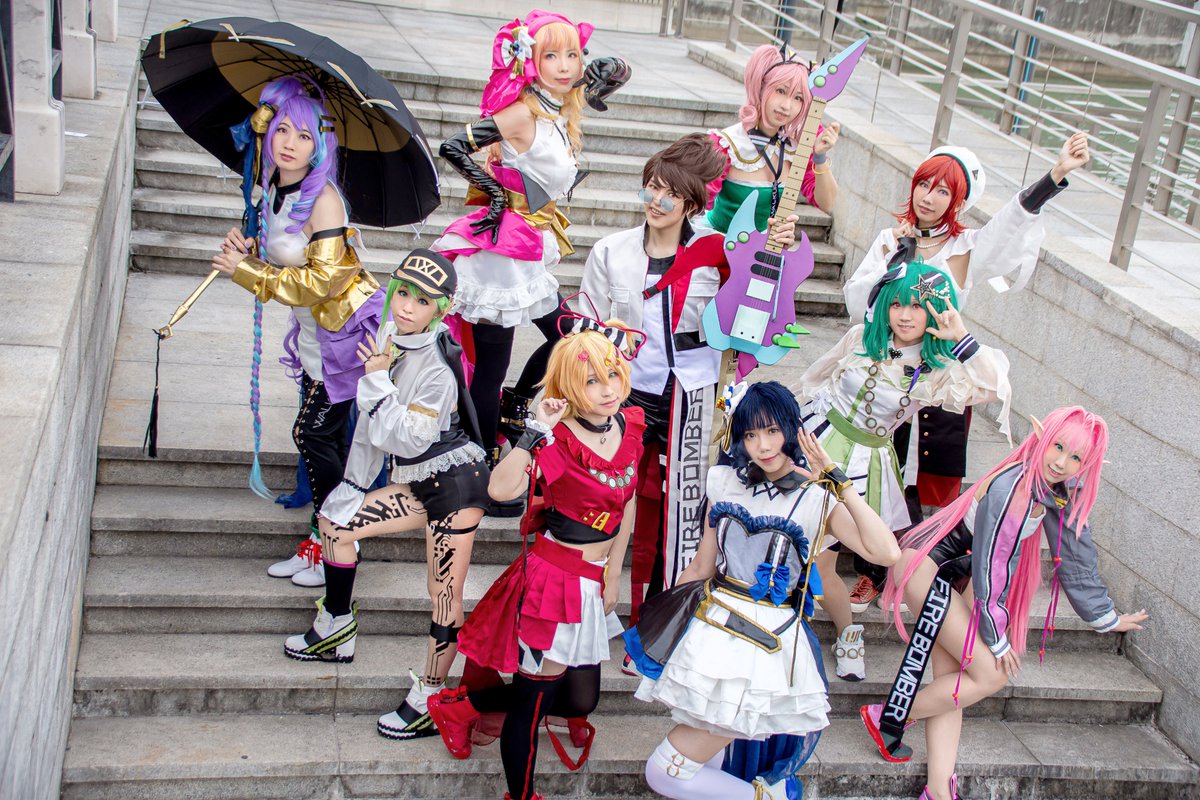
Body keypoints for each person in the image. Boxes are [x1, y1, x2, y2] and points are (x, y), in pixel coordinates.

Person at [838, 135, 1091, 612]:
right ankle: (873, 569)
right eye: (924, 185)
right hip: (887, 375)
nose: (929, 197)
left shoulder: (967, 248)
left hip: (940, 379)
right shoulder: (891, 239)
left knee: (933, 478)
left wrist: (1054, 176)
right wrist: (893, 266)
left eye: (942, 191)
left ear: (957, 200)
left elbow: (1011, 223)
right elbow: (856, 302)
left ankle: (921, 569)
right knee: (875, 469)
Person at [623, 381, 900, 799]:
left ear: (792, 429)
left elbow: (886, 552)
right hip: (712, 632)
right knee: (707, 764)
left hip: (764, 650)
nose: (762, 445)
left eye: (772, 431)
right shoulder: (724, 482)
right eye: (751, 434)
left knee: (667, 772)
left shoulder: (815, 500)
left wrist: (838, 480)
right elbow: (701, 566)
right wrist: (662, 633)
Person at [860, 406, 1148, 800]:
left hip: (960, 579)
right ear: (1042, 437)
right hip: (931, 569)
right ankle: (892, 715)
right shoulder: (1015, 488)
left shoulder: (1052, 490)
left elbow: (1074, 552)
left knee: (952, 683)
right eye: (1058, 447)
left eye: (1075, 457)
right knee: (991, 674)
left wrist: (1104, 615)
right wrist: (996, 636)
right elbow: (993, 563)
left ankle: (939, 791)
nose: (1061, 462)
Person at [579, 133, 799, 635]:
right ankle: (595, 607)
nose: (657, 201)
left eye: (671, 195)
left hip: (692, 396)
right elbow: (586, 324)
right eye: (652, 188)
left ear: (693, 204)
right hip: (623, 393)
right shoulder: (611, 251)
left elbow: (755, 307)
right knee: (608, 496)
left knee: (682, 510)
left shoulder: (718, 250)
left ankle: (661, 620)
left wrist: (774, 253)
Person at [424, 310, 645, 800]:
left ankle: (464, 705)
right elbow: (500, 490)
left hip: (592, 580)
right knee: (532, 699)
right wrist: (532, 433)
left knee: (580, 700)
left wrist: (612, 573)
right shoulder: (557, 440)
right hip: (554, 584)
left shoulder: (628, 425)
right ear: (568, 386)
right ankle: (520, 794)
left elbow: (627, 501)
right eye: (591, 380)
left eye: (612, 374)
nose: (607, 389)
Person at [279, 249, 491, 742]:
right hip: (420, 481)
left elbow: (410, 439)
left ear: (441, 309)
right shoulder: (390, 336)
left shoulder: (437, 367)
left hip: (456, 484)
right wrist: (353, 485)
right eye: (403, 293)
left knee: (443, 593)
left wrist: (376, 381)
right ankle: (336, 625)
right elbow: (370, 431)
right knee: (334, 525)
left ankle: (430, 695)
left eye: (423, 300)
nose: (408, 306)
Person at [794, 259, 1011, 682]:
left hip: (860, 466)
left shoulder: (936, 371)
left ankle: (848, 633)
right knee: (788, 543)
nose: (906, 315)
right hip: (814, 440)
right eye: (898, 304)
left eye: (917, 306)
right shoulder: (861, 337)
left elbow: (993, 387)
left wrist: (960, 336)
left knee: (820, 562)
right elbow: (814, 377)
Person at [432, 10, 631, 469]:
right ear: (530, 60)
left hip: (527, 245)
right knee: (501, 364)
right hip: (500, 256)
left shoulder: (557, 110)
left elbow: (616, 74)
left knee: (566, 335)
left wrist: (605, 71)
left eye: (572, 55)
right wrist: (496, 194)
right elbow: (452, 146)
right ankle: (483, 462)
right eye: (551, 55)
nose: (564, 66)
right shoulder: (522, 112)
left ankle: (514, 406)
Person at [210, 75, 384, 589]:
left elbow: (321, 281)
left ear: (320, 145)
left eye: (304, 135)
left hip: (347, 339)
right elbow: (281, 250)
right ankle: (320, 542)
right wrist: (248, 246)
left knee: (313, 434)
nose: (289, 143)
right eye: (282, 129)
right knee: (320, 438)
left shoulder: (324, 200)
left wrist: (247, 272)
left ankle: (337, 543)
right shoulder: (272, 187)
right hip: (314, 338)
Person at [708, 43, 840, 238]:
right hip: (717, 246)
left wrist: (819, 157)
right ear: (761, 87)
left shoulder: (796, 147)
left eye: (798, 98)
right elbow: (692, 204)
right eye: (780, 91)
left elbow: (826, 203)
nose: (786, 106)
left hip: (766, 251)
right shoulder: (727, 145)